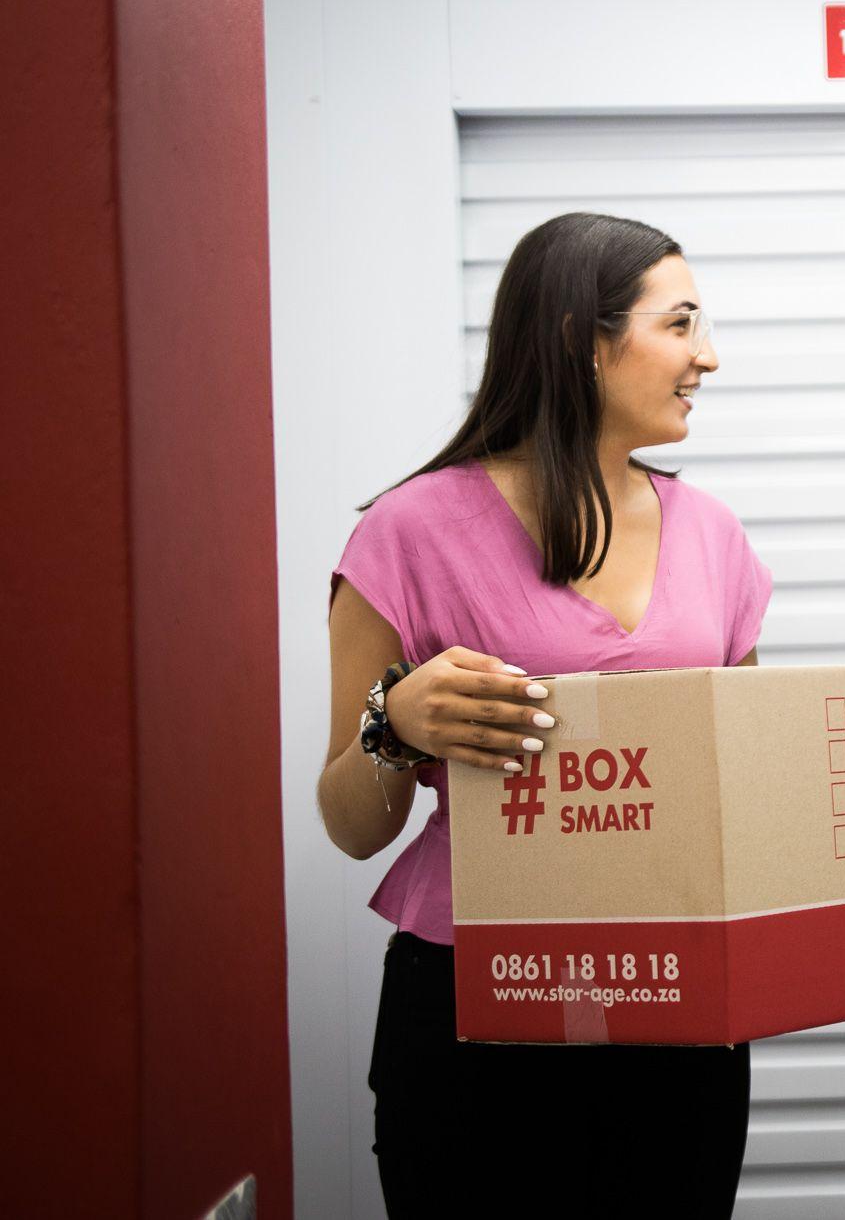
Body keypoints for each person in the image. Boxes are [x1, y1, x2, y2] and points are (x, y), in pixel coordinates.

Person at [318, 212, 772, 1217]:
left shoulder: (713, 536)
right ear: (583, 339)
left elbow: (750, 788)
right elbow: (351, 827)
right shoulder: (408, 533)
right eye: (681, 323)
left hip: (677, 1001)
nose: (708, 356)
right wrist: (395, 723)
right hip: (475, 1008)